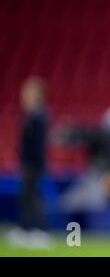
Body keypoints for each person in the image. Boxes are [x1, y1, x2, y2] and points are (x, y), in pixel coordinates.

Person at [8, 77, 52, 249]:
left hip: (34, 163)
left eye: (29, 91)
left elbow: (37, 143)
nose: (24, 95)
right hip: (28, 162)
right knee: (26, 196)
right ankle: (26, 229)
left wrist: (31, 160)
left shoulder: (39, 115)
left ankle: (40, 231)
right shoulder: (32, 114)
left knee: (33, 196)